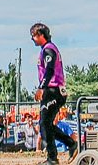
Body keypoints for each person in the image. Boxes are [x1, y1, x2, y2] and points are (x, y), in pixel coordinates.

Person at [31, 22, 76, 165]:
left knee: (45, 124)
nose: (32, 39)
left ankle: (53, 158)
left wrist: (41, 88)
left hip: (53, 91)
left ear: (40, 35)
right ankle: (69, 145)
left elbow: (49, 70)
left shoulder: (48, 49)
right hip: (53, 91)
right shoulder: (46, 49)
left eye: (33, 36)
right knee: (45, 124)